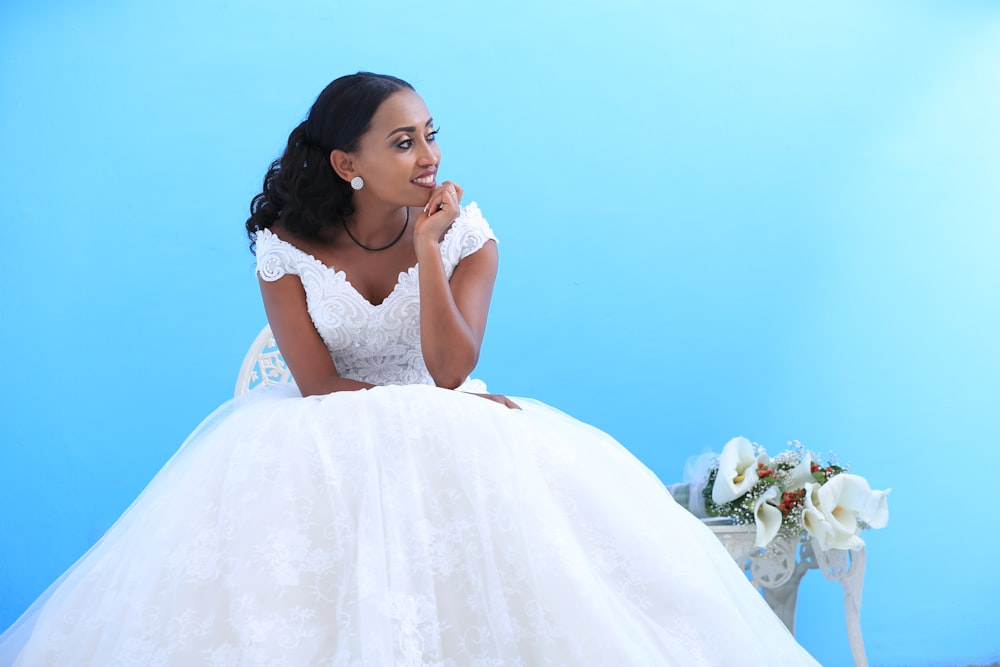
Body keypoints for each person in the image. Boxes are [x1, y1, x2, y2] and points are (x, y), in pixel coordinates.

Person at [0, 72, 820, 666]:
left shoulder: (469, 235)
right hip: (320, 439)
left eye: (431, 133)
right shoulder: (283, 247)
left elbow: (451, 367)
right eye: (403, 141)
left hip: (447, 421)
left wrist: (429, 249)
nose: (428, 154)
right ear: (346, 164)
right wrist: (416, 414)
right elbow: (317, 385)